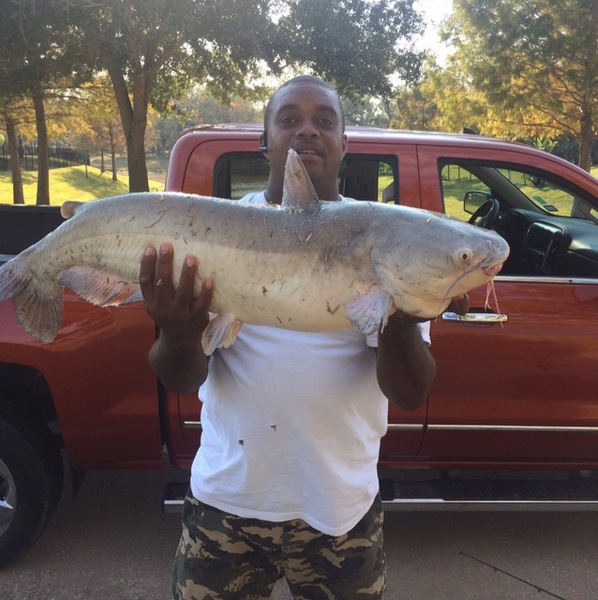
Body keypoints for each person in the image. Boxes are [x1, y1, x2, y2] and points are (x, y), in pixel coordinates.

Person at [140, 75, 468, 600]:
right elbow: (179, 377)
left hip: (343, 510)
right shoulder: (209, 237)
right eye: (289, 119)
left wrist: (402, 316)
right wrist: (179, 332)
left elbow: (409, 392)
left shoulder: (389, 242)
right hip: (227, 504)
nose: (308, 130)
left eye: (325, 121)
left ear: (345, 143)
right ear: (265, 141)